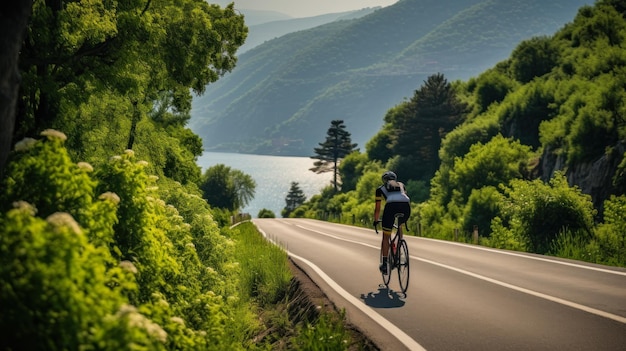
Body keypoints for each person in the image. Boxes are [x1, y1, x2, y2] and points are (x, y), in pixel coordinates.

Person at [373, 171, 411, 275]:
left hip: (391, 207)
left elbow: (377, 209)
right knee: (399, 225)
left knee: (386, 236)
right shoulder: (402, 185)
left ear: (384, 181)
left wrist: (376, 220)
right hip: (406, 206)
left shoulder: (380, 189)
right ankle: (399, 250)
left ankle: (385, 264)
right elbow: (403, 197)